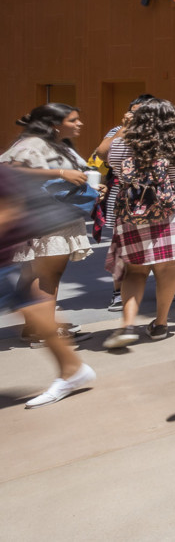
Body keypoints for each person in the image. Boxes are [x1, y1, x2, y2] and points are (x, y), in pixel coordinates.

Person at [102, 99, 175, 348]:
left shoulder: (122, 143)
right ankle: (161, 324)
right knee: (167, 268)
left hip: (135, 210)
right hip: (174, 210)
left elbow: (116, 172)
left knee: (135, 270)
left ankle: (127, 324)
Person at [1, 105, 94, 367]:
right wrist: (60, 173)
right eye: (73, 119)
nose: (80, 123)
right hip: (43, 217)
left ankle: (36, 327)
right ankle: (47, 330)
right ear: (55, 123)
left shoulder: (58, 144)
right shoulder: (31, 143)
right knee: (46, 275)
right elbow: (10, 172)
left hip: (59, 215)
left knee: (40, 273)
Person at [0, 164, 96, 408]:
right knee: (28, 301)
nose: (79, 124)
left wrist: (61, 173)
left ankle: (71, 368)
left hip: (37, 233)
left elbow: (9, 208)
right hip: (30, 238)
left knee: (30, 300)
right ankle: (71, 368)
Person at [92, 94, 155, 312]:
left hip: (153, 195)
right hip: (121, 193)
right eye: (133, 111)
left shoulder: (160, 132)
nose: (136, 116)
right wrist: (124, 128)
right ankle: (118, 291)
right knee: (120, 243)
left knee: (155, 238)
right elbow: (101, 153)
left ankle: (164, 284)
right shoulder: (118, 130)